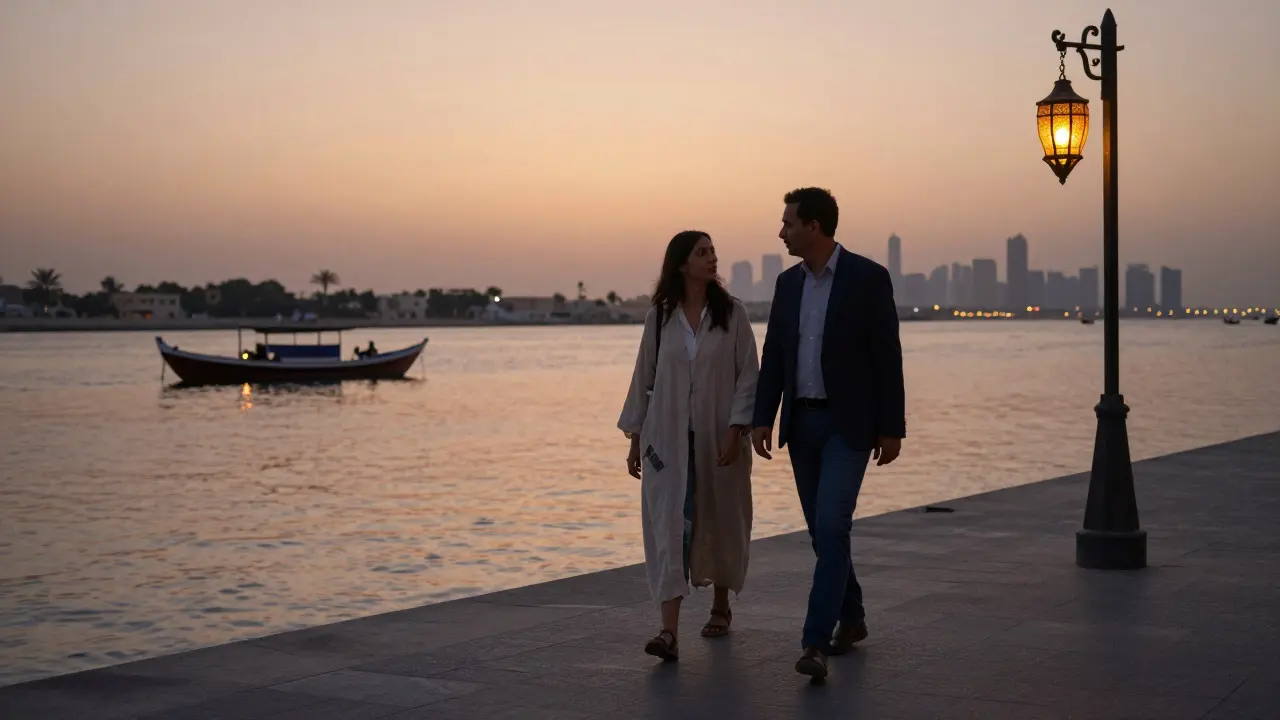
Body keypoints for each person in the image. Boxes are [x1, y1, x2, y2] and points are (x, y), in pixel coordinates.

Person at [750, 187, 905, 679]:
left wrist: (891, 427)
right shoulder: (786, 285)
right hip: (803, 425)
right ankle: (853, 617)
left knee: (833, 525)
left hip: (849, 426)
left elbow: (887, 355)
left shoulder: (868, 278)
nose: (781, 231)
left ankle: (814, 642)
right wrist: (762, 417)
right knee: (824, 533)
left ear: (814, 226)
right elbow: (775, 353)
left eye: (788, 223)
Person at [618, 230, 760, 662]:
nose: (712, 258)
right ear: (682, 264)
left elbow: (748, 376)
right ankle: (668, 631)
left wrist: (737, 430)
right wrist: (634, 439)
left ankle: (721, 604)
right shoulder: (660, 317)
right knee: (669, 527)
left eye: (714, 250)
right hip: (667, 441)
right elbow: (644, 378)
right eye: (703, 252)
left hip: (720, 437)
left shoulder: (731, 314)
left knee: (721, 517)